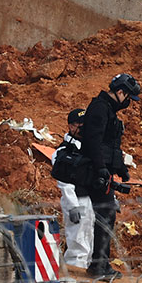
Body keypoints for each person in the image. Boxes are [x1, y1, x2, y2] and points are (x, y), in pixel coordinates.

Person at [81, 73, 141, 279]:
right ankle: (99, 266)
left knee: (106, 215)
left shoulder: (106, 109)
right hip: (95, 172)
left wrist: (120, 168)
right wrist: (100, 169)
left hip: (103, 171)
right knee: (105, 216)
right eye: (128, 98)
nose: (128, 103)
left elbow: (109, 146)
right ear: (120, 92)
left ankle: (100, 264)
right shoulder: (100, 108)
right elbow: (93, 141)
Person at [53, 109, 93, 272]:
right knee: (78, 242)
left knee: (89, 240)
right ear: (71, 126)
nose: (84, 128)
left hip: (89, 200)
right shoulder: (63, 152)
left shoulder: (88, 148)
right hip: (76, 200)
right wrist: (72, 206)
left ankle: (85, 274)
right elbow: (64, 182)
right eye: (80, 125)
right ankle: (75, 275)